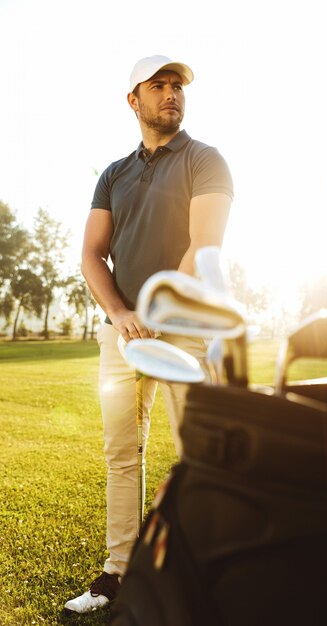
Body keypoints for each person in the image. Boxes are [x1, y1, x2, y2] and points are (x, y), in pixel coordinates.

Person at [64, 55, 233, 614]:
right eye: (157, 85)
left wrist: (158, 312)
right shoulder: (113, 173)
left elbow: (203, 244)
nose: (171, 94)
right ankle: (117, 572)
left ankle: (208, 570)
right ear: (133, 101)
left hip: (182, 328)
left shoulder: (206, 160)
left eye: (177, 86)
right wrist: (118, 315)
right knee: (121, 454)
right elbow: (91, 254)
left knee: (197, 456)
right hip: (124, 333)